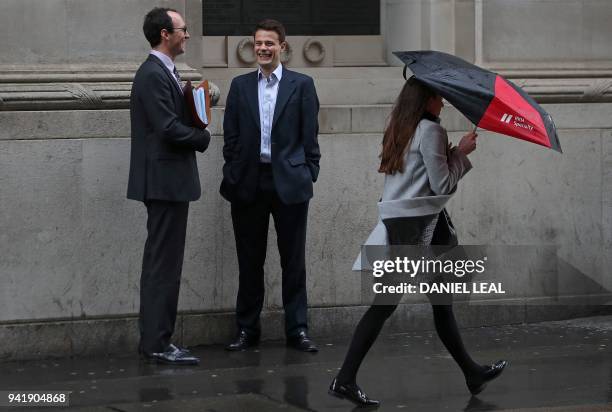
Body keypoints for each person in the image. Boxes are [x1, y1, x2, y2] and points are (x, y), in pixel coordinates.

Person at [328, 77, 507, 406]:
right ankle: (345, 378)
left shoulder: (401, 127)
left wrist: (449, 153)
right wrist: (462, 154)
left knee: (440, 303)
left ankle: (471, 372)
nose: (443, 103)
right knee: (385, 305)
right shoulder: (431, 131)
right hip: (417, 228)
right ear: (426, 100)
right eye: (439, 97)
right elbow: (441, 184)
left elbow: (419, 176)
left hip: (410, 225)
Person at [220, 19, 321, 352]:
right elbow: (231, 136)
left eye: (269, 44)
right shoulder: (239, 86)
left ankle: (297, 330)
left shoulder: (302, 85)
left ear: (283, 47)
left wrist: (309, 172)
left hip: (290, 183)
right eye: (258, 43)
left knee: (293, 261)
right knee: (250, 261)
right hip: (248, 182)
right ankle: (247, 329)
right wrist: (233, 169)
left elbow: (310, 137)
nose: (263, 49)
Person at [127, 7, 210, 365]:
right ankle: (158, 343)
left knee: (163, 263)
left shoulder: (164, 72)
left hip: (168, 181)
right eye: (183, 29)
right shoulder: (152, 74)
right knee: (163, 265)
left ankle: (156, 340)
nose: (187, 35)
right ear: (165, 34)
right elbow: (167, 127)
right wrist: (202, 135)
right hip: (163, 182)